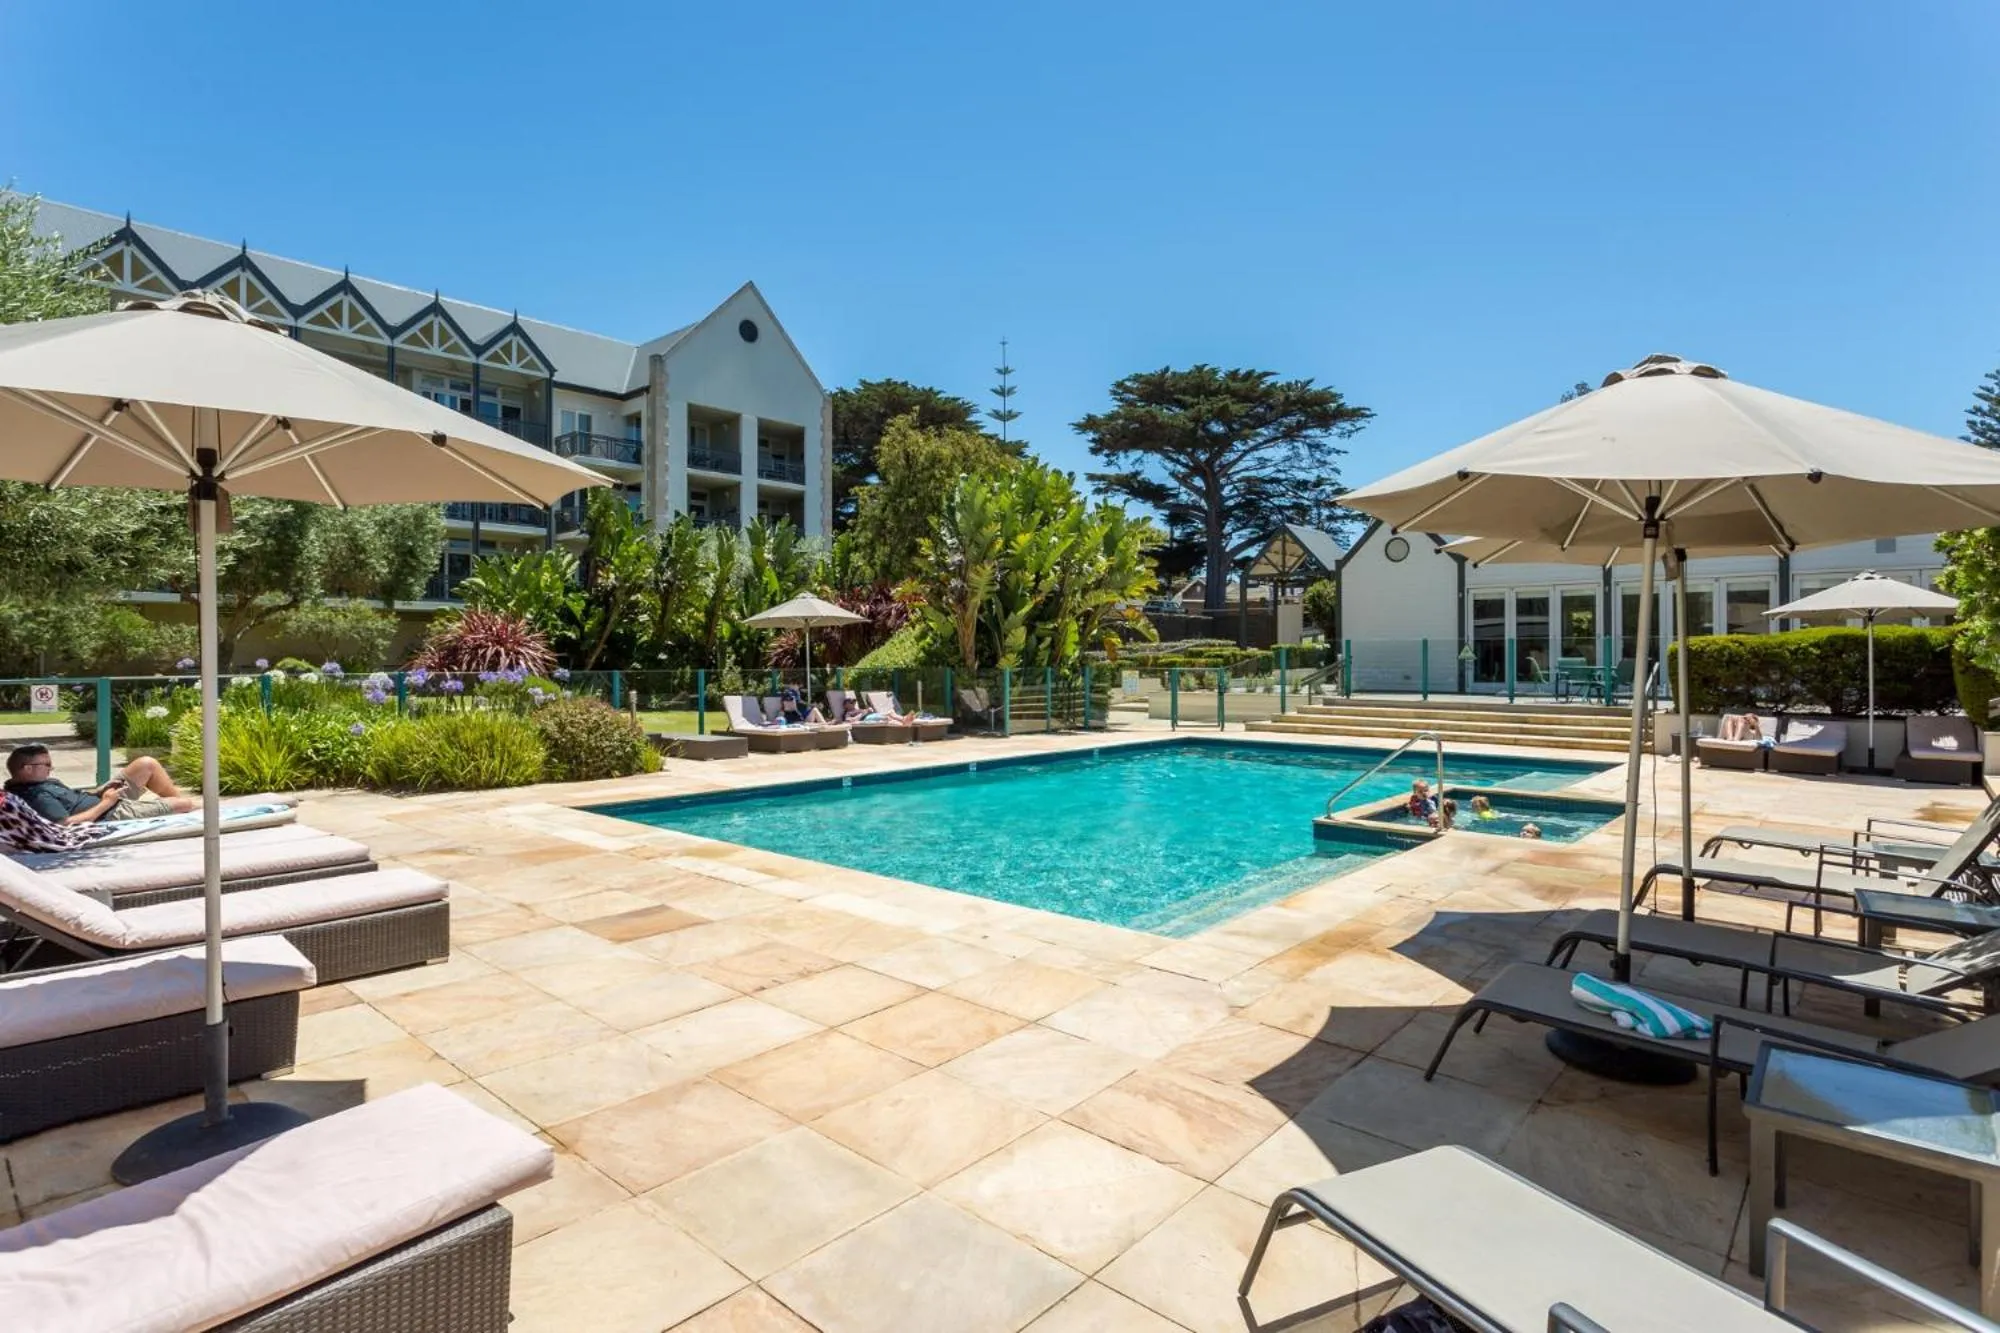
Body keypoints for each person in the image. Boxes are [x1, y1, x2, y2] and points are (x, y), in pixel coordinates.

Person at [4, 744, 196, 825]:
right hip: (110, 812)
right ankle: (185, 811)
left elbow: (73, 800)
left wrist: (100, 791)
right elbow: (66, 824)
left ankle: (172, 808)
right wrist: (106, 802)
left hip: (104, 800)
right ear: (27, 768)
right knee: (184, 804)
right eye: (46, 765)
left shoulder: (41, 782)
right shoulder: (35, 796)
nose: (51, 768)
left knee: (146, 764)